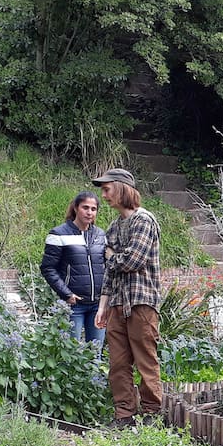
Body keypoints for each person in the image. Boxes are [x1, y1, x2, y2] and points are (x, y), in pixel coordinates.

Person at [92, 168, 163, 427]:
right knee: (118, 364)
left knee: (145, 361)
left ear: (122, 188)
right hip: (117, 304)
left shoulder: (144, 220)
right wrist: (103, 306)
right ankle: (124, 415)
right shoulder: (114, 226)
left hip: (142, 303)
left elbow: (133, 260)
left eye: (107, 189)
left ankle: (152, 415)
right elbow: (109, 272)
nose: (104, 195)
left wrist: (112, 256)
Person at [41, 191, 107, 346]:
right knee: (70, 353)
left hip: (97, 305)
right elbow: (48, 268)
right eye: (85, 207)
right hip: (73, 305)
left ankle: (94, 372)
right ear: (76, 208)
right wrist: (66, 294)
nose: (89, 212)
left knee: (95, 353)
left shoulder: (101, 235)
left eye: (93, 209)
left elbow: (109, 266)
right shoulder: (58, 234)